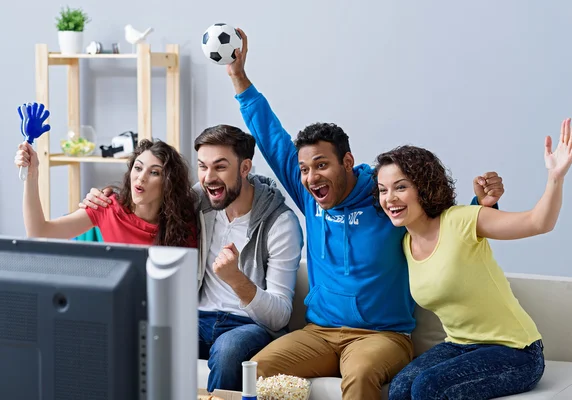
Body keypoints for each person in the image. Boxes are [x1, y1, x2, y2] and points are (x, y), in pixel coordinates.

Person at [225, 29, 506, 400]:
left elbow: (442, 222)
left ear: (347, 162)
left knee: (358, 377)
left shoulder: (385, 195)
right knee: (253, 372)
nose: (311, 177)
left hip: (383, 336)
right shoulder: (309, 193)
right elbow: (272, 137)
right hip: (319, 333)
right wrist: (238, 78)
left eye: (322, 165)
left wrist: (482, 205)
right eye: (305, 169)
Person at [80, 124, 304, 392]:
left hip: (248, 326)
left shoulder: (280, 223)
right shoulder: (199, 200)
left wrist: (237, 281)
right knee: (141, 338)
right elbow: (149, 199)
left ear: (245, 168)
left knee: (229, 350)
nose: (209, 177)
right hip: (196, 318)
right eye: (202, 166)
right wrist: (107, 199)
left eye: (220, 167)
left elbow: (279, 316)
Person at [375, 118, 572, 399]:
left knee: (428, 387)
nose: (389, 198)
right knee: (400, 388)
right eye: (383, 189)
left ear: (423, 187)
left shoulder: (462, 220)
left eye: (400, 187)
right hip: (460, 345)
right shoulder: (405, 242)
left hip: (515, 351)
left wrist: (555, 177)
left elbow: (538, 222)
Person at [15, 119, 198, 248]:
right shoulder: (105, 206)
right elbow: (39, 231)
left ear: (168, 183)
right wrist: (32, 174)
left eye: (154, 173)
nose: (141, 178)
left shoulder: (182, 225)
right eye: (138, 168)